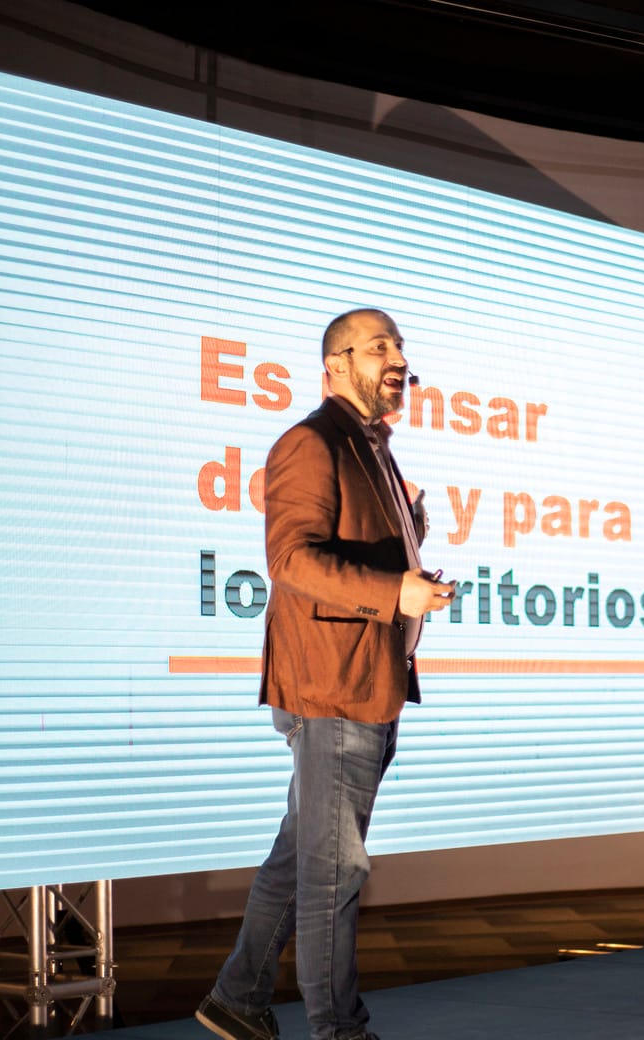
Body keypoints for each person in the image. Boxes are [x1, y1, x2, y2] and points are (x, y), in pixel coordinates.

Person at [197, 308, 454, 1040]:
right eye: (378, 347)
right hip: (333, 688)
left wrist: (410, 534)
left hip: (366, 681)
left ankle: (236, 998)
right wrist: (394, 591)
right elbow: (292, 561)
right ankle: (340, 1030)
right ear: (336, 365)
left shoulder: (373, 450)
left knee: (301, 856)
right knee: (334, 872)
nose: (396, 358)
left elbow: (355, 549)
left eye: (400, 345)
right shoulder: (310, 443)